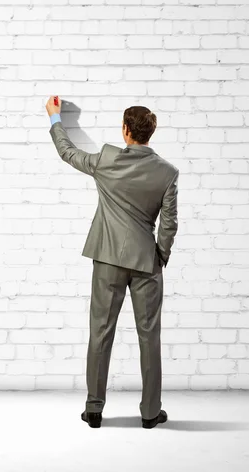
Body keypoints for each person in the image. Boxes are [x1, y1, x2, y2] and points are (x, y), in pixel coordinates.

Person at [45, 96, 179, 429]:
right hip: (147, 262)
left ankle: (94, 409)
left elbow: (68, 153)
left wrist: (55, 119)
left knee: (100, 333)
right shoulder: (167, 172)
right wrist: (159, 255)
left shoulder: (107, 160)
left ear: (125, 130)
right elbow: (169, 222)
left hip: (107, 259)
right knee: (149, 338)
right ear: (150, 133)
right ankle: (150, 413)